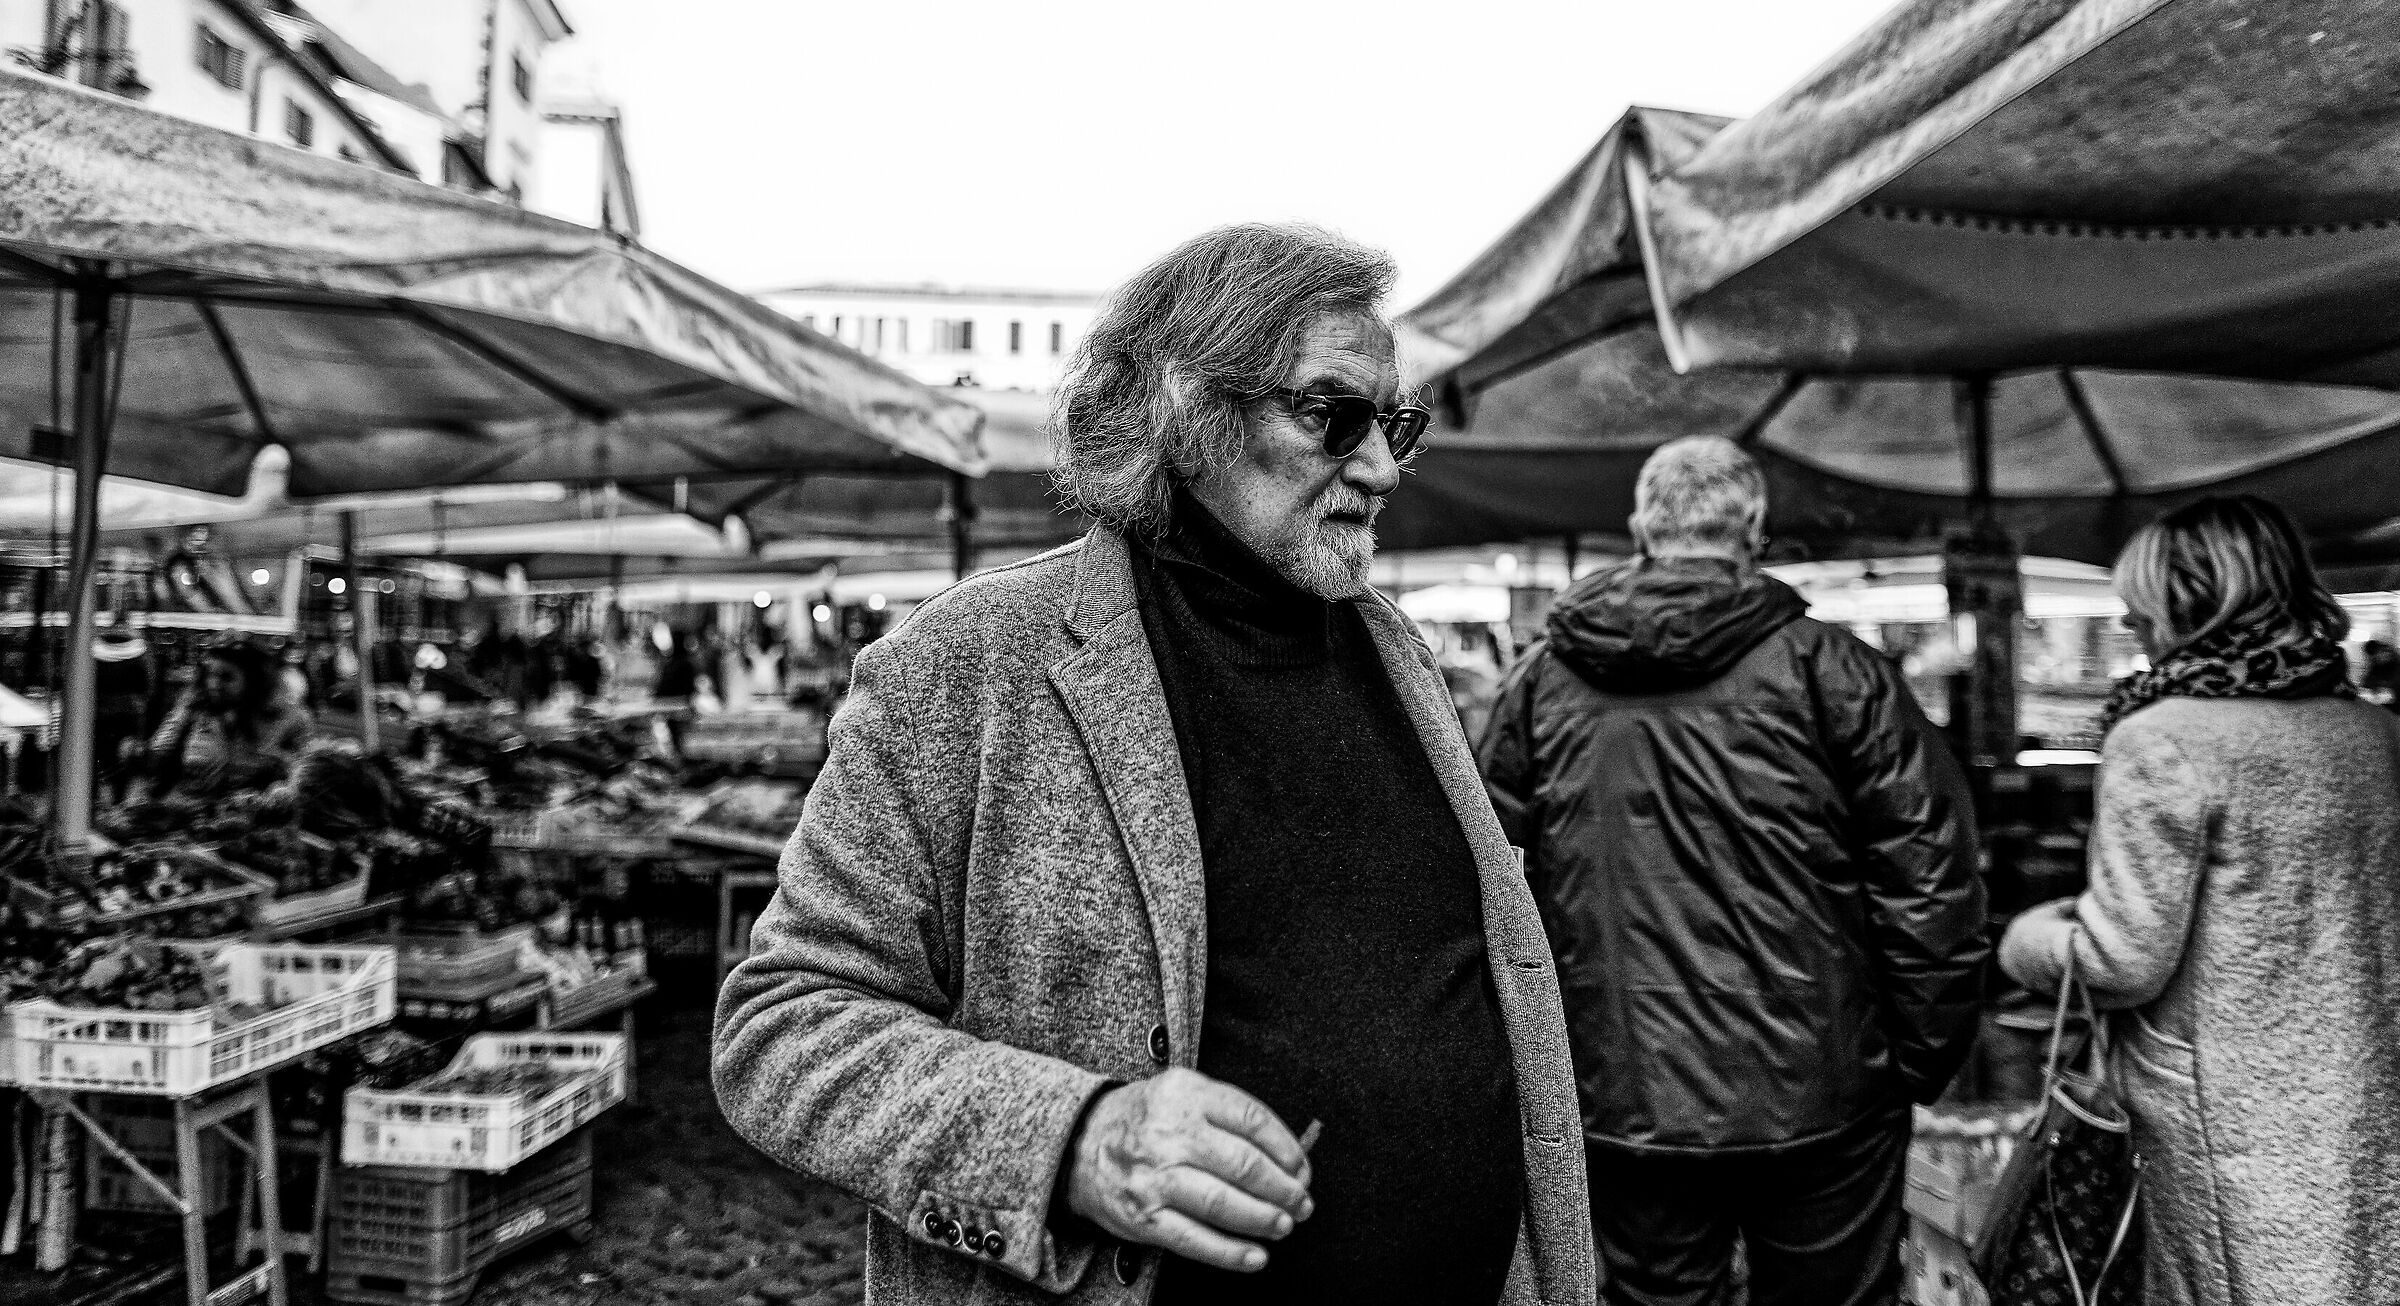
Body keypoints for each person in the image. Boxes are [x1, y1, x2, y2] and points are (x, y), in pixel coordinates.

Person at [714, 223, 1592, 1306]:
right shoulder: (970, 662)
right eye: (1333, 414)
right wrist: (1073, 1140)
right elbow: (784, 1024)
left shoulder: (1392, 648)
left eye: (1393, 424)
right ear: (1187, 407)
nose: (1378, 464)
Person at [1477, 435, 1987, 1306]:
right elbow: (1931, 878)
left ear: (1641, 528)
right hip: (1825, 1091)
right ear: (1753, 528)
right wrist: (1920, 1061)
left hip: (1620, 1087)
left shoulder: (1538, 684)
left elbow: (1489, 881)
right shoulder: (1835, 670)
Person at [1999, 495, 2400, 1305]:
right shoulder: (2372, 735)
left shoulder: (2165, 739)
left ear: (2189, 603)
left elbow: (2122, 960)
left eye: (2139, 606)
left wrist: (2029, 937)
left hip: (2227, 1113)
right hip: (2364, 1089)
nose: (2130, 625)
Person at [136, 640, 312, 801]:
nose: (213, 684)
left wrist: (278, 767)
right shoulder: (192, 710)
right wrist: (139, 753)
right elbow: (156, 757)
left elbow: (305, 778)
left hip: (253, 825)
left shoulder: (289, 718)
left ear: (253, 680)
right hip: (190, 821)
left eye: (226, 677)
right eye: (209, 675)